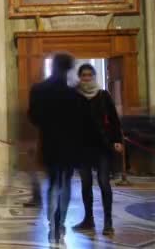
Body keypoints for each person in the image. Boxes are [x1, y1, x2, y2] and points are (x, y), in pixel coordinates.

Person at [28, 53, 83, 245]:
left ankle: (53, 223)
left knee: (52, 183)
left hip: (49, 141)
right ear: (68, 69)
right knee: (66, 184)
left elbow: (33, 117)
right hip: (69, 144)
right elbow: (80, 123)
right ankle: (60, 223)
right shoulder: (73, 93)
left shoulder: (38, 89)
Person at [72, 64, 123, 235]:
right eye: (83, 75)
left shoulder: (103, 95)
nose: (86, 78)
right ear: (80, 77)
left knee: (103, 182)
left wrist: (117, 140)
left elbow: (114, 120)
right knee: (86, 184)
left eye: (89, 75)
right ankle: (89, 219)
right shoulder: (75, 96)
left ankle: (108, 222)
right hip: (82, 147)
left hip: (102, 146)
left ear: (93, 76)